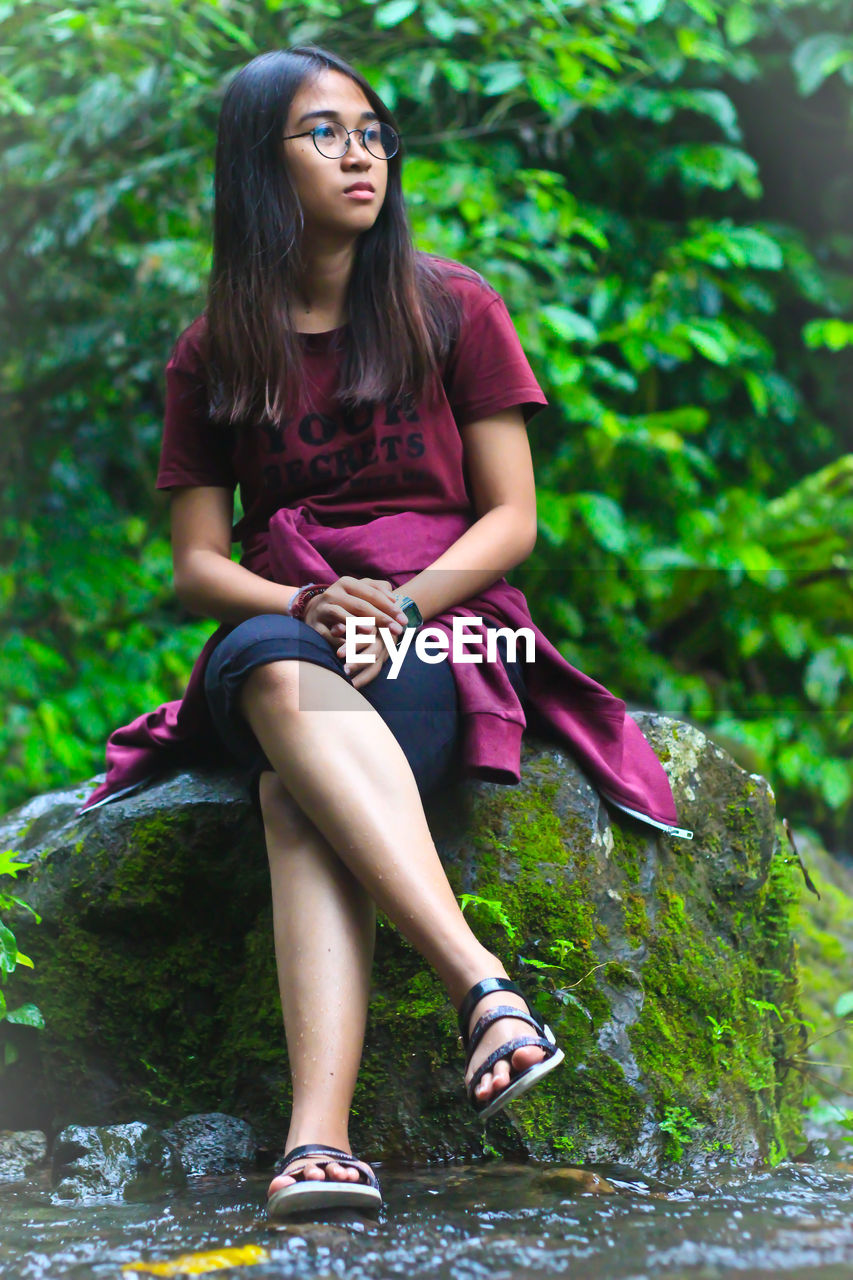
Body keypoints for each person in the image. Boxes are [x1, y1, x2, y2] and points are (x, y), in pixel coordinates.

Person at [80, 44, 689, 1218]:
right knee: (265, 666)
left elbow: (510, 519)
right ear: (262, 164)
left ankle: (317, 1140)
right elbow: (201, 564)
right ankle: (484, 986)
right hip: (284, 621)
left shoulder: (451, 305)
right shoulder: (215, 347)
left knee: (287, 788)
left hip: (439, 620)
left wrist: (401, 610)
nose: (361, 151)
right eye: (324, 132)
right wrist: (306, 603)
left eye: (371, 130)